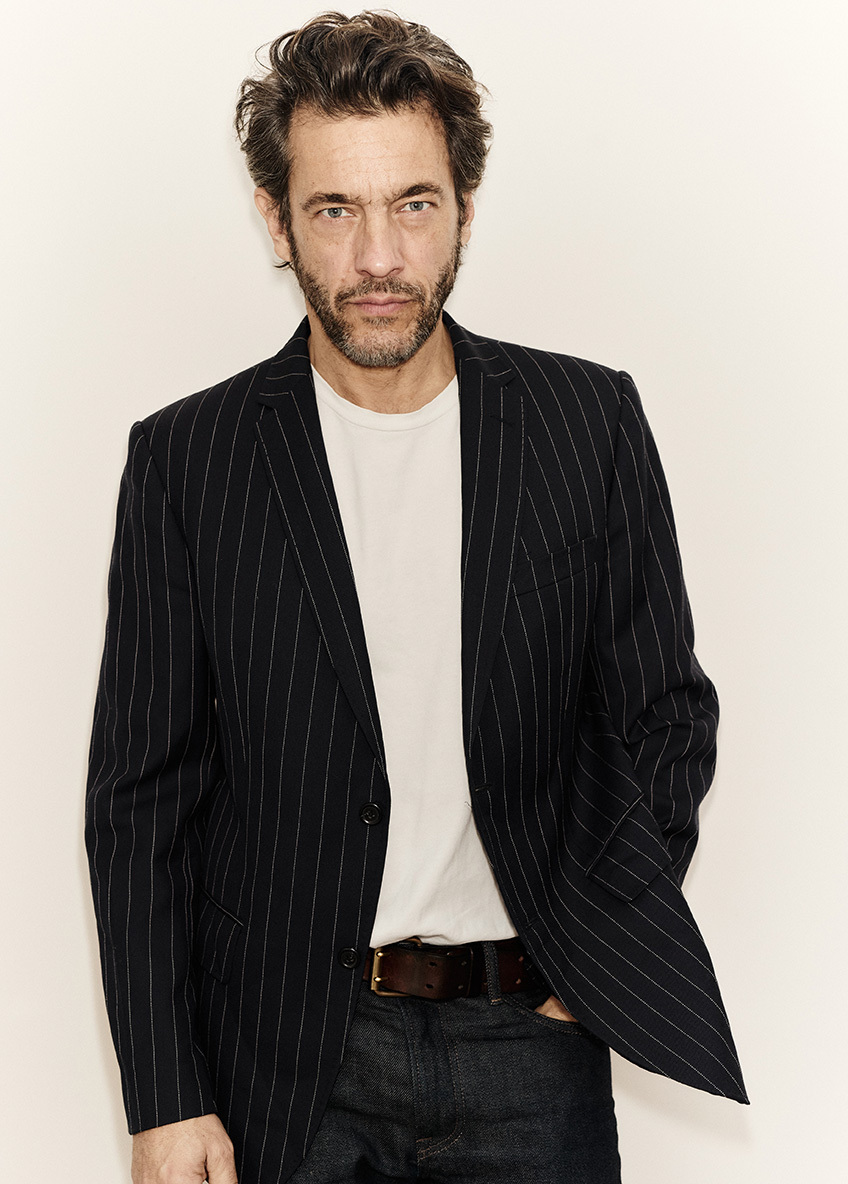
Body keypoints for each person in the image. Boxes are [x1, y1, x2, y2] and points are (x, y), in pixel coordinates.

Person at [85, 11, 746, 1184]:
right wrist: (166, 1095)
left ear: (464, 211)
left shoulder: (584, 423)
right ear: (276, 219)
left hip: (525, 1044)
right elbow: (141, 803)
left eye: (413, 203)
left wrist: (581, 962)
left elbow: (664, 715)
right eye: (335, 210)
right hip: (287, 1055)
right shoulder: (188, 460)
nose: (378, 256)